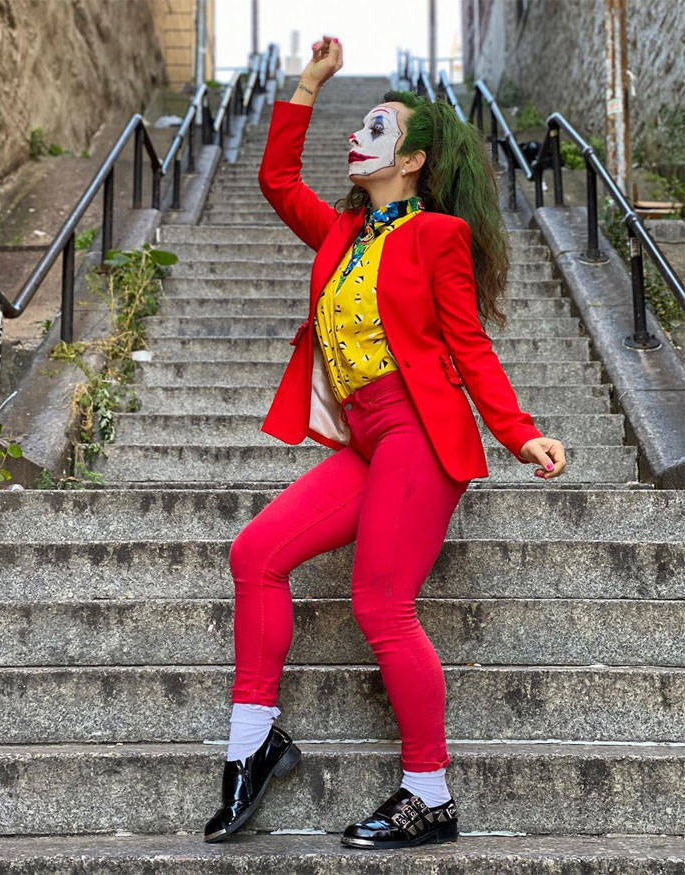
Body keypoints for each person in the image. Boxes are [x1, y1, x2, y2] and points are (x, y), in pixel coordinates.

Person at [204, 35, 567, 849]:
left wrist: (519, 433)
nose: (357, 136)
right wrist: (306, 85)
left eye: (376, 128)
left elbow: (467, 344)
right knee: (255, 552)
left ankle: (428, 792)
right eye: (357, 126)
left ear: (412, 160)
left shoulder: (435, 235)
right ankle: (253, 744)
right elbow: (274, 180)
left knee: (380, 602)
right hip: (366, 441)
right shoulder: (340, 233)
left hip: (419, 435)